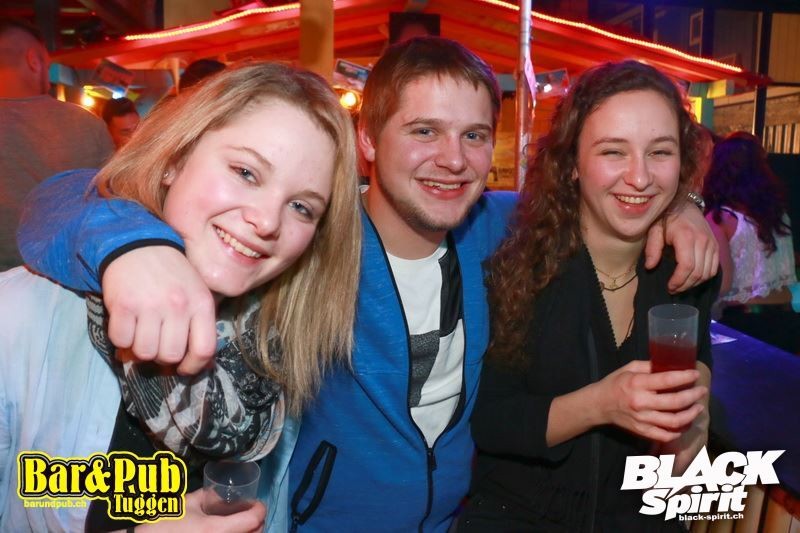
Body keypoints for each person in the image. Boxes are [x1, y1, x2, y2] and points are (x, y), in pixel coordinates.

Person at [16, 38, 719, 531]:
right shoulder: (316, 239)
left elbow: (605, 200)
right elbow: (60, 197)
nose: (453, 159)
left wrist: (679, 204)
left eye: (475, 136)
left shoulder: (494, 228)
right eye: (424, 131)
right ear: (370, 143)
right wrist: (130, 245)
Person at [1, 61, 361, 532]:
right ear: (174, 160)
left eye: (301, 206)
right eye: (246, 172)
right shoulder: (22, 316)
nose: (268, 220)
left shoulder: (276, 353)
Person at [459, 60, 719, 532]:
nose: (639, 177)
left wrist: (690, 434)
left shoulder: (688, 270)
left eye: (660, 152)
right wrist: (601, 404)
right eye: (613, 151)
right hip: (520, 518)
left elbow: (694, 385)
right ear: (573, 164)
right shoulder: (518, 266)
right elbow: (490, 422)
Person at [0, 17, 113, 270]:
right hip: (67, 278)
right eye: (47, 64)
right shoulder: (84, 123)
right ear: (34, 60)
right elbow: (111, 205)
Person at [703, 131, 800, 353]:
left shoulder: (720, 218)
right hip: (788, 322)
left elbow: (722, 284)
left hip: (744, 324)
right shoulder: (779, 215)